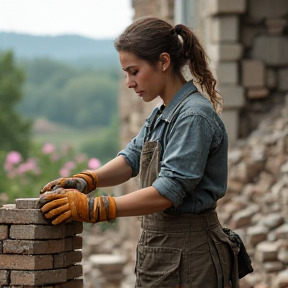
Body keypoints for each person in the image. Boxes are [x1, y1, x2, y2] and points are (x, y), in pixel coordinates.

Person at [39, 16, 239, 288]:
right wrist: (88, 180)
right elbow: (130, 158)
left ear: (164, 62)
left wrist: (97, 207)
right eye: (126, 73)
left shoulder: (193, 117)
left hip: (191, 255)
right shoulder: (162, 114)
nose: (129, 82)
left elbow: (170, 189)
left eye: (134, 71)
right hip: (163, 251)